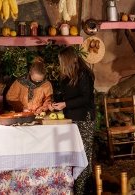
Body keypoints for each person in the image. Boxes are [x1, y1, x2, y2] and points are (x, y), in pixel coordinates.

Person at [48, 46, 95, 195]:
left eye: (62, 61)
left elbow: (85, 97)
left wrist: (65, 104)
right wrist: (55, 103)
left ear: (70, 60)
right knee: (73, 153)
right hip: (71, 118)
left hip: (84, 118)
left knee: (84, 153)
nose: (60, 65)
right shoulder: (68, 76)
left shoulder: (84, 74)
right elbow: (67, 95)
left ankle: (84, 189)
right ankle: (73, 187)